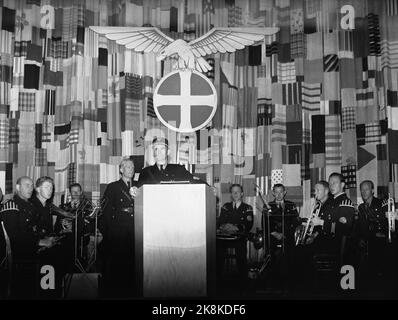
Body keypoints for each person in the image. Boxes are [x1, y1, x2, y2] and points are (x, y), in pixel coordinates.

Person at [0, 177, 56, 298]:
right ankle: (46, 293)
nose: (30, 188)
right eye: (27, 185)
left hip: (33, 250)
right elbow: (14, 237)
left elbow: (36, 229)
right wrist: (40, 242)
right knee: (50, 259)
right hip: (21, 257)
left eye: (31, 185)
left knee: (55, 254)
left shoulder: (30, 206)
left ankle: (48, 292)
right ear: (18, 187)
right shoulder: (11, 205)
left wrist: (47, 238)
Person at [100, 158, 137, 298]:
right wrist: (108, 233)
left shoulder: (138, 186)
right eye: (127, 166)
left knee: (133, 264)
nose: (131, 169)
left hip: (135, 229)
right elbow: (106, 210)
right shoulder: (113, 187)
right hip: (118, 231)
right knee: (118, 265)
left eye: (133, 167)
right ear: (121, 170)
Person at [356, 180, 396, 295]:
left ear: (372, 190)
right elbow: (361, 228)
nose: (363, 192)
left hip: (381, 243)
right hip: (367, 243)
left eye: (366, 189)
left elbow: (388, 225)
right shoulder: (361, 207)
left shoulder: (382, 203)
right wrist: (361, 239)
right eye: (362, 189)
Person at [262, 183, 300, 291]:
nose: (279, 195)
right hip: (273, 238)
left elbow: (296, 221)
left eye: (281, 192)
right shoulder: (268, 206)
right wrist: (274, 233)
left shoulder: (291, 205)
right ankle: (274, 284)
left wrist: (286, 233)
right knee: (274, 261)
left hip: (288, 238)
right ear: (273, 193)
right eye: (276, 192)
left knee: (288, 261)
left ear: (285, 193)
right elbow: (264, 223)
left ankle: (288, 285)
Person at [216, 184, 253, 286]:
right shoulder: (225, 206)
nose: (235, 194)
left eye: (237, 192)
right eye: (233, 192)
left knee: (241, 253)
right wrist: (225, 226)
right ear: (231, 194)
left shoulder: (247, 207)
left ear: (242, 194)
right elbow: (220, 222)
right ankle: (218, 278)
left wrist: (236, 227)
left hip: (239, 237)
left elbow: (248, 224)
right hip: (225, 237)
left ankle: (243, 280)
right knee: (218, 249)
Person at [138, 137, 205, 186]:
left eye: (162, 149)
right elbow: (138, 192)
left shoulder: (178, 169)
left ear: (168, 152)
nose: (159, 152)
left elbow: (194, 180)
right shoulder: (145, 173)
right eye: (156, 149)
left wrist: (210, 188)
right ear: (153, 152)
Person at [327, 173, 355, 267]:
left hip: (339, 246)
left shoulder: (345, 202)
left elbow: (343, 228)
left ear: (342, 185)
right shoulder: (331, 201)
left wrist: (322, 223)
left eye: (334, 183)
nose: (331, 186)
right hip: (330, 243)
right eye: (330, 183)